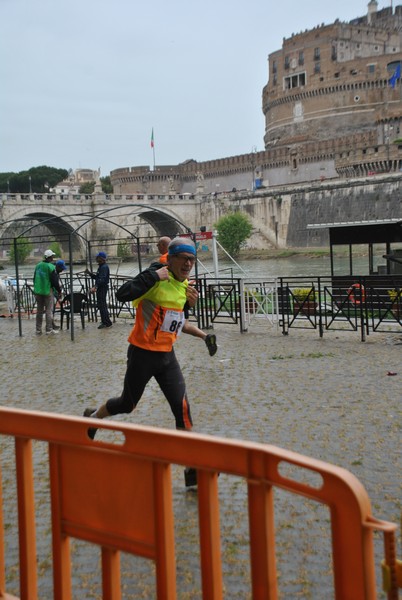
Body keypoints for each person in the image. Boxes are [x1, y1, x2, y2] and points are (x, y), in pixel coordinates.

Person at [83, 237, 208, 486]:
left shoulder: (185, 286)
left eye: (192, 260)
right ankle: (93, 416)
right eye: (183, 259)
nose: (187, 264)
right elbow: (121, 294)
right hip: (142, 353)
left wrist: (188, 305)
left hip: (167, 356)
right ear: (170, 259)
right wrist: (152, 277)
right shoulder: (155, 278)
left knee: (182, 409)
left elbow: (175, 319)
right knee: (127, 404)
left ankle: (191, 469)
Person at [155, 236, 217, 356]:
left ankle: (205, 337)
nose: (157, 248)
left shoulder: (165, 259)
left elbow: (170, 277)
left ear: (164, 246)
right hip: (182, 293)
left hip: (175, 296)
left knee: (183, 324)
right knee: (184, 324)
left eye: (159, 245)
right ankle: (206, 337)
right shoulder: (177, 256)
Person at [33, 249, 62, 335]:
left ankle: (38, 329)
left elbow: (34, 278)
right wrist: (59, 291)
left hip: (38, 291)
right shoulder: (51, 267)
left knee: (39, 311)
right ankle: (49, 329)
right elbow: (54, 281)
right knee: (49, 311)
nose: (53, 258)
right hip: (47, 291)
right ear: (50, 257)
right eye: (52, 256)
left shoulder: (37, 266)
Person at [85, 251, 112, 329]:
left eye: (98, 258)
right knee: (101, 305)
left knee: (102, 305)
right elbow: (97, 277)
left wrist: (95, 287)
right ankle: (105, 321)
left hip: (102, 288)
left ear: (101, 259)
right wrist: (89, 273)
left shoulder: (104, 267)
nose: (96, 259)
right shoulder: (101, 266)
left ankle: (106, 322)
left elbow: (102, 279)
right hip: (101, 287)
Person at [52, 259, 67, 330]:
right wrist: (59, 291)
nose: (62, 270)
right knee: (51, 310)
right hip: (52, 292)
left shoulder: (56, 273)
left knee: (52, 310)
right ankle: (51, 325)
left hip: (55, 293)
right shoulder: (54, 273)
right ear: (58, 267)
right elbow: (55, 284)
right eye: (61, 269)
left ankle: (52, 324)